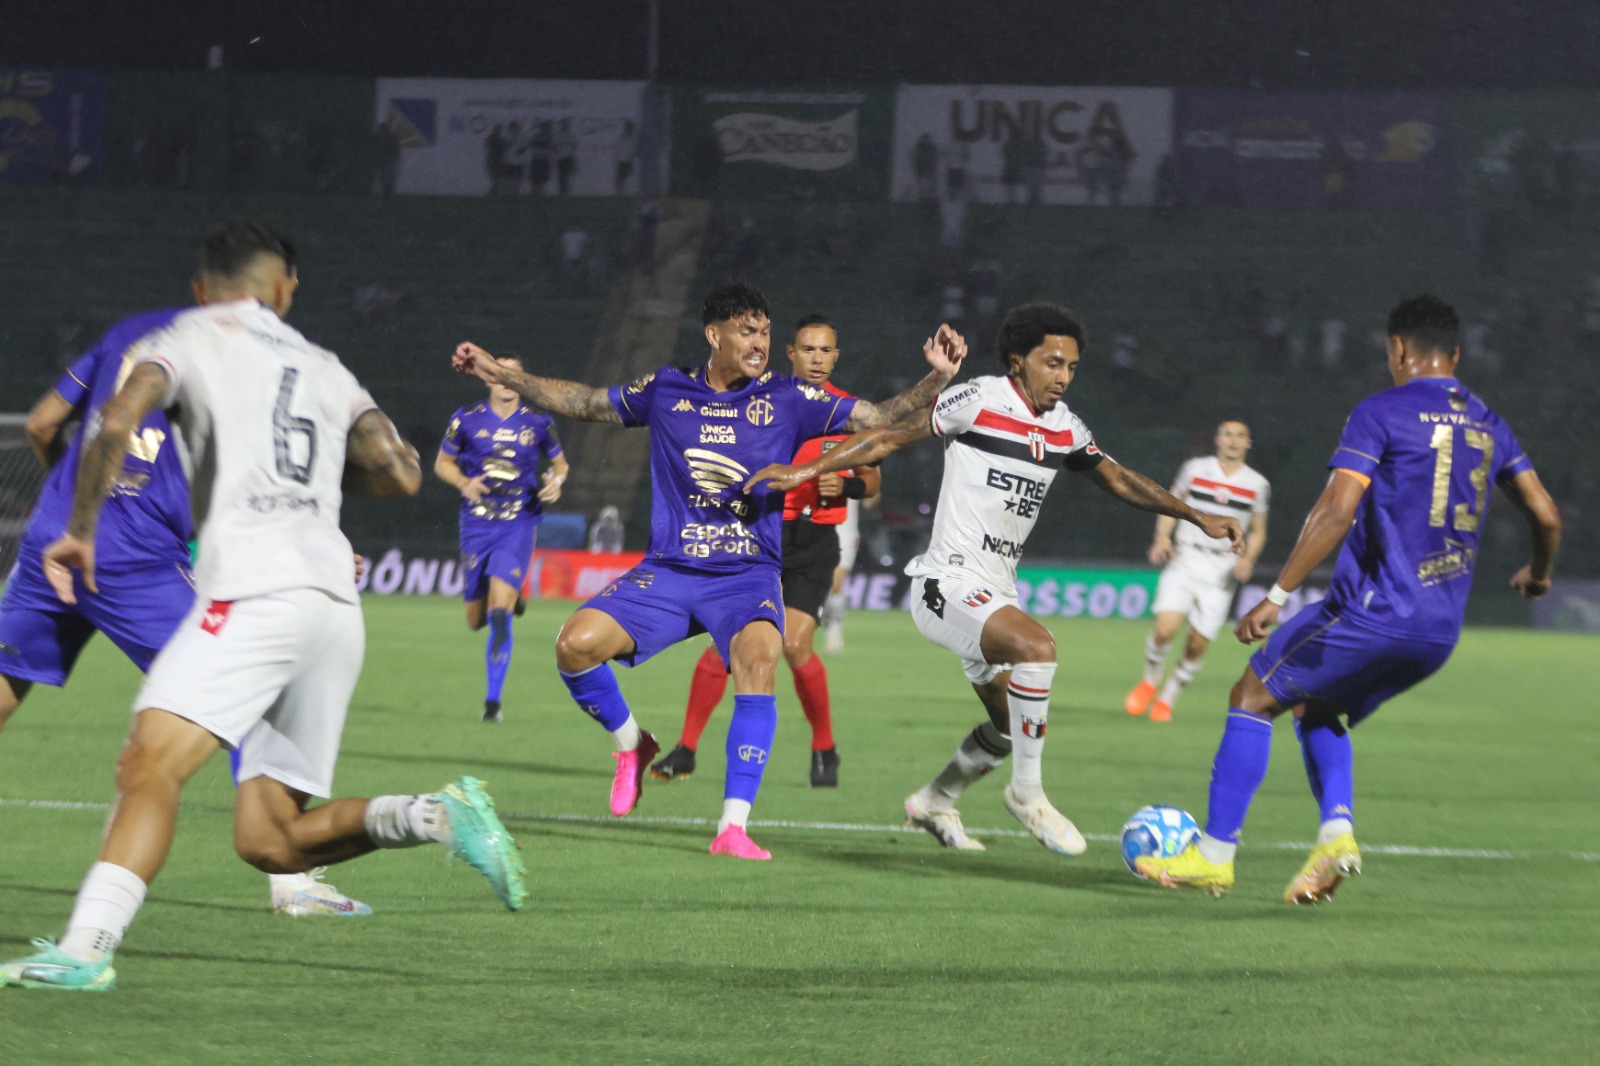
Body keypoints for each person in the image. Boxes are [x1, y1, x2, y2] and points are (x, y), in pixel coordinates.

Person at [0, 222, 526, 993]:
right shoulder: (325, 364)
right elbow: (401, 474)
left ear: (202, 288)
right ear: (283, 291)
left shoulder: (183, 337)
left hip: (255, 591)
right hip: (334, 606)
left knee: (147, 764)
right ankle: (436, 815)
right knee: (273, 842)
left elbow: (114, 420)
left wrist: (80, 531)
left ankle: (84, 952)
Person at [450, 284, 965, 860]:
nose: (760, 343)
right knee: (572, 647)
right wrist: (499, 371)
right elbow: (586, 402)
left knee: (761, 657)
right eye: (747, 331)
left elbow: (885, 418)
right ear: (714, 335)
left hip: (746, 576)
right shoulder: (667, 388)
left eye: (766, 333)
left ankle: (733, 828)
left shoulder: (790, 396)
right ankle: (633, 745)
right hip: (670, 571)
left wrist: (937, 378)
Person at [745, 303, 1243, 855]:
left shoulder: (1064, 427)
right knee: (1038, 647)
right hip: (945, 583)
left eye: (1072, 367)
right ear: (1017, 360)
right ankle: (1028, 795)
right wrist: (806, 470)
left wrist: (1196, 516)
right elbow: (888, 436)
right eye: (1052, 363)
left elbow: (1120, 479)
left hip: (995, 592)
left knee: (1009, 728)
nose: (1063, 376)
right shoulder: (979, 398)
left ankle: (932, 803)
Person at [1134, 295, 1560, 903]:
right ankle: (1336, 835)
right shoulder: (1489, 421)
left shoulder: (1381, 411)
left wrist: (1276, 594)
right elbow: (1545, 515)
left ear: (1398, 349)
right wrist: (1539, 577)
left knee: (1251, 696)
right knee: (1317, 708)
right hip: (1439, 632)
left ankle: (1214, 853)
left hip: (1373, 613)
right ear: (1456, 355)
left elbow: (1336, 510)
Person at [1, 296, 370, 920]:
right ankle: (293, 881)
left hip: (53, 541)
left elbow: (41, 423)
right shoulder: (234, 354)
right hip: (137, 557)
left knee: (7, 679)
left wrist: (78, 494)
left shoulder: (125, 332)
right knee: (246, 695)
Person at [649, 314, 881, 789]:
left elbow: (873, 483)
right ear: (790, 353)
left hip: (812, 542)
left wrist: (848, 484)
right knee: (724, 648)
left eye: (826, 351)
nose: (817, 359)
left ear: (836, 356)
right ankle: (687, 748)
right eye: (808, 350)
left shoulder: (846, 413)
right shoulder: (761, 401)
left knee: (794, 645)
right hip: (759, 536)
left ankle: (824, 746)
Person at [435, 356, 568, 723]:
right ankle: (510, 595)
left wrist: (555, 483)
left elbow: (560, 465)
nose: (504, 380)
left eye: (512, 374)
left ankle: (492, 704)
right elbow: (442, 464)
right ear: (486, 379)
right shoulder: (466, 418)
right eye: (497, 373)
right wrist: (464, 482)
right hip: (476, 524)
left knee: (497, 615)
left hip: (518, 522)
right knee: (475, 619)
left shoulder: (539, 422)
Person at [1125, 420, 1270, 722]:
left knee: (1197, 643)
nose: (1233, 440)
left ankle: (1169, 696)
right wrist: (1162, 537)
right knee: (1165, 628)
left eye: (1240, 436)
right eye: (1227, 434)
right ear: (1217, 439)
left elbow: (1258, 531)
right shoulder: (1194, 469)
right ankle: (1150, 680)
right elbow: (1170, 505)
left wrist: (1248, 558)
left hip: (1222, 570)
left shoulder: (1257, 484)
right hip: (1186, 558)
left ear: (1248, 444)